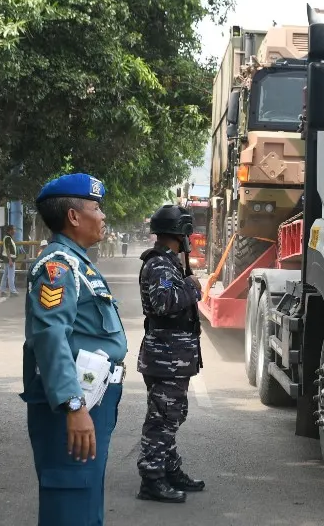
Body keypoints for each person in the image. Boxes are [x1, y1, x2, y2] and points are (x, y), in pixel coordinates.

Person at [20, 173, 128, 526]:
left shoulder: (77, 262)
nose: (103, 216)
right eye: (96, 208)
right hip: (73, 404)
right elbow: (50, 337)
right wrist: (74, 405)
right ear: (74, 217)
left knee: (84, 495)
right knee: (69, 499)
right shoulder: (58, 267)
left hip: (92, 397)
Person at [135, 204, 206, 503]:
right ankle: (152, 479)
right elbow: (164, 301)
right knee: (163, 417)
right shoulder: (161, 266)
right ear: (181, 233)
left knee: (170, 415)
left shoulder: (167, 262)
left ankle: (168, 468)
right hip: (166, 357)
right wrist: (191, 286)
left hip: (171, 356)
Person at [0, 224, 18, 297]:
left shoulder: (8, 238)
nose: (15, 231)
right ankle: (12, 291)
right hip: (9, 259)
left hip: (8, 259)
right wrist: (10, 260)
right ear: (10, 230)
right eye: (14, 229)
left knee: (5, 275)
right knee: (11, 275)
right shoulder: (7, 238)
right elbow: (7, 249)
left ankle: (3, 290)